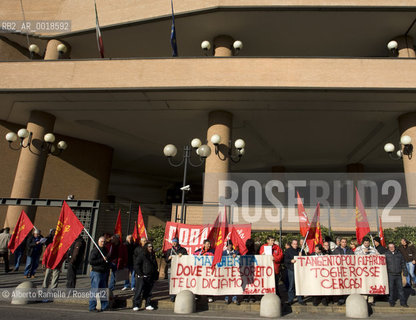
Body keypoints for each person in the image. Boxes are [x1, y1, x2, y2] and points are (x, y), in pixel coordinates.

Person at [133, 242, 159, 311]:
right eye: (149, 247)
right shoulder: (142, 255)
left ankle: (148, 304)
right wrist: (140, 274)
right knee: (139, 291)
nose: (151, 248)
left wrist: (155, 274)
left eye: (151, 247)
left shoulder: (152, 255)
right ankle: (136, 305)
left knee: (148, 291)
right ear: (146, 248)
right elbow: (136, 265)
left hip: (150, 276)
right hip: (142, 276)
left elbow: (155, 265)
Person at [89, 236, 110, 312]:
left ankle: (104, 306)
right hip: (96, 272)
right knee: (95, 290)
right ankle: (92, 306)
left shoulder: (105, 250)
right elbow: (91, 261)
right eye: (102, 241)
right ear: (98, 242)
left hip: (103, 272)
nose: (103, 243)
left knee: (103, 290)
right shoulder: (95, 250)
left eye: (104, 242)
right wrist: (102, 260)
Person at [355, 237, 378, 305]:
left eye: (368, 243)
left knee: (371, 284)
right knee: (363, 284)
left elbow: (378, 256)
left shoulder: (373, 249)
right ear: (363, 243)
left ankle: (371, 299)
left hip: (371, 271)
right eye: (365, 243)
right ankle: (364, 298)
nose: (367, 244)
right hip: (362, 271)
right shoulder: (358, 249)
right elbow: (355, 257)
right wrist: (363, 253)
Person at [385, 242, 409, 308]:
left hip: (398, 274)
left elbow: (403, 263)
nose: (391, 248)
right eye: (390, 247)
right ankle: (391, 302)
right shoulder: (386, 254)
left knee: (401, 289)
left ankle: (403, 302)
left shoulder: (399, 254)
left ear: (394, 247)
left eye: (392, 247)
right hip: (390, 274)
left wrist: (405, 271)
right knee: (391, 289)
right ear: (388, 247)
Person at [164, 237, 188, 302]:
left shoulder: (183, 250)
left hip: (180, 269)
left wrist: (182, 255)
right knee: (171, 283)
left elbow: (187, 258)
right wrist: (169, 258)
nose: (174, 243)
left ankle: (179, 295)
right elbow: (166, 260)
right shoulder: (169, 250)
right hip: (171, 268)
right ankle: (172, 296)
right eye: (173, 242)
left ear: (178, 242)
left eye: (175, 241)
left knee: (179, 282)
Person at [332, 238, 353, 305]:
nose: (344, 243)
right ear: (340, 242)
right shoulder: (336, 250)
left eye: (345, 242)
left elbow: (353, 258)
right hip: (339, 271)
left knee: (347, 284)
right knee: (341, 285)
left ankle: (346, 298)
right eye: (342, 242)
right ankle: (340, 299)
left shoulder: (350, 250)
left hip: (347, 271)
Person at [284, 239, 305, 305]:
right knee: (291, 285)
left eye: (296, 244)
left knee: (299, 285)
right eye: (294, 244)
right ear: (291, 244)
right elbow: (285, 260)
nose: (295, 245)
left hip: (299, 270)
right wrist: (290, 261)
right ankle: (290, 299)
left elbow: (305, 259)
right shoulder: (288, 251)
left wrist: (302, 256)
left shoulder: (301, 250)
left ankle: (300, 299)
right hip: (291, 269)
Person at [223, 240, 240, 305]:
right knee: (226, 284)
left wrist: (236, 255)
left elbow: (240, 257)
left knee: (234, 284)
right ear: (226, 246)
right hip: (225, 272)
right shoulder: (223, 253)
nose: (230, 246)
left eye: (231, 245)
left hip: (234, 272)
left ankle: (234, 298)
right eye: (228, 245)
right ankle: (226, 298)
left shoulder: (236, 252)